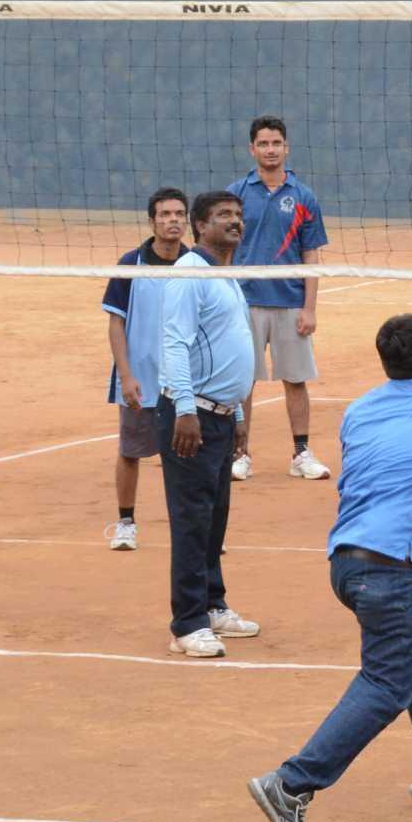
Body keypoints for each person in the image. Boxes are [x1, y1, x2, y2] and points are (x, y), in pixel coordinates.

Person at [245, 313, 412, 822]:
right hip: (390, 571)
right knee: (386, 684)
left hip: (346, 561)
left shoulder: (358, 411)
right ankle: (291, 784)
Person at [156, 190, 261, 656]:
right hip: (191, 416)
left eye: (238, 215)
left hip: (218, 415)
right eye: (223, 216)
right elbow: (175, 344)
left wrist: (236, 413)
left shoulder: (226, 275)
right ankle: (187, 623)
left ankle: (212, 604)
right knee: (191, 520)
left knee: (215, 518)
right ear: (200, 226)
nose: (235, 222)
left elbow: (226, 348)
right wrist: (184, 408)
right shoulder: (189, 273)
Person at [230, 116, 331, 482]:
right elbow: (223, 249)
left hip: (290, 303)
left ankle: (301, 453)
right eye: (263, 143)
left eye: (276, 143)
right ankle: (240, 453)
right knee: (242, 382)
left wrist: (309, 308)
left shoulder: (303, 197)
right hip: (245, 303)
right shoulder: (236, 195)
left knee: (295, 379)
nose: (270, 150)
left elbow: (311, 255)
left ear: (286, 148)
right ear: (252, 149)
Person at [99, 188, 192, 551]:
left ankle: (192, 530)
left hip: (183, 382)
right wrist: (126, 375)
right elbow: (116, 324)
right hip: (141, 379)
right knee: (130, 452)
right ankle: (126, 523)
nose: (173, 220)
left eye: (179, 214)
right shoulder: (130, 264)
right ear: (152, 221)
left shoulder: (195, 265)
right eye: (165, 214)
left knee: (187, 458)